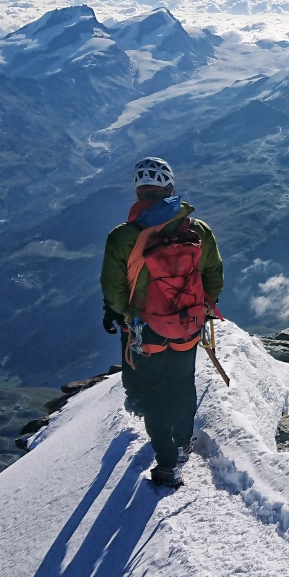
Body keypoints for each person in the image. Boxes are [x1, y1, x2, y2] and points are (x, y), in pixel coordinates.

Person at [100, 157, 224, 488]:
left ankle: (167, 462)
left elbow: (113, 292)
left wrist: (125, 315)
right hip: (187, 325)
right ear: (171, 189)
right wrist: (203, 308)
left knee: (154, 392)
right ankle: (183, 443)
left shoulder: (122, 237)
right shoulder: (197, 231)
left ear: (140, 193)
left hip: (146, 330)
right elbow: (213, 275)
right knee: (183, 383)